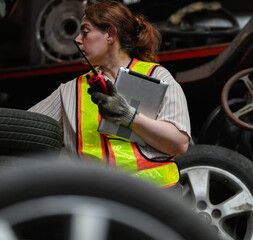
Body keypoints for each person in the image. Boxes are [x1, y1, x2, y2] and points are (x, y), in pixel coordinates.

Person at [28, 0, 191, 189]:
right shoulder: (70, 90)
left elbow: (179, 144)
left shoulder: (156, 76)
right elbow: (25, 128)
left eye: (85, 31)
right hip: (100, 201)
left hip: (156, 198)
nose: (77, 39)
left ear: (110, 34)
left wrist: (130, 117)